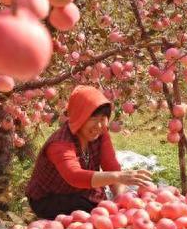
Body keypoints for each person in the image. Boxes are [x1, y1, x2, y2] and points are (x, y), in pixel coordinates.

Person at [25, 85, 152, 219]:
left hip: (83, 193)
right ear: (79, 117)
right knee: (92, 212)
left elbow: (112, 166)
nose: (98, 126)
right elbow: (74, 176)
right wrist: (117, 176)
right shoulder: (60, 144)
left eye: (103, 119)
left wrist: (122, 201)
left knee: (103, 209)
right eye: (93, 119)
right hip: (50, 198)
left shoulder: (101, 134)